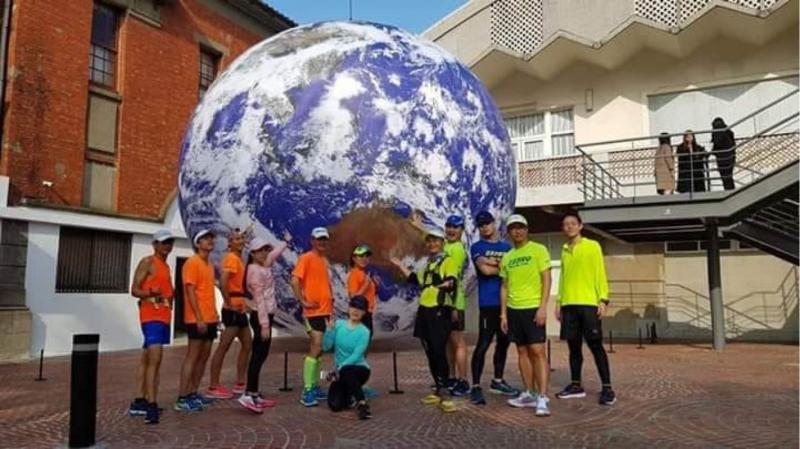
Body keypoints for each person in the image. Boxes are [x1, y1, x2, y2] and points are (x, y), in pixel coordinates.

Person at [390, 228, 458, 413]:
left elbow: (452, 281)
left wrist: (441, 285)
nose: (432, 244)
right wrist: (399, 265)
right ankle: (437, 388)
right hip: (425, 310)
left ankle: (445, 392)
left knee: (438, 350)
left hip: (439, 309)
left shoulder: (448, 261)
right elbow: (415, 279)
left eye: (435, 240)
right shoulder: (427, 263)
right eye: (429, 241)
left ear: (442, 242)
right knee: (429, 350)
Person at [555, 213, 616, 406]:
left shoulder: (593, 246)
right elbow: (563, 277)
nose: (569, 227)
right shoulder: (564, 250)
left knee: (596, 346)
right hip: (569, 305)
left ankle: (607, 388)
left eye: (573, 223)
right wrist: (559, 302)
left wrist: (603, 299)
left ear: (580, 226)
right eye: (566, 224)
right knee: (573, 348)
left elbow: (600, 273)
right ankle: (576, 385)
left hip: (589, 304)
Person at [500, 214, 552, 417]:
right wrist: (503, 314)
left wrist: (542, 307)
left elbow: (546, 279)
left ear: (527, 229)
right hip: (514, 310)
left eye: (521, 227)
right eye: (513, 228)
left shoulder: (538, 250)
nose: (517, 231)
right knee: (521, 351)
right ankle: (529, 392)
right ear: (509, 232)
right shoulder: (507, 257)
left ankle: (542, 396)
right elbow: (505, 286)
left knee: (537, 352)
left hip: (533, 308)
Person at [468, 211, 519, 406]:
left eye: (487, 223)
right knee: (483, 343)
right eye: (481, 225)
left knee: (504, 343)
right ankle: (475, 386)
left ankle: (498, 380)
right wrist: (502, 266)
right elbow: (485, 270)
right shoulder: (477, 247)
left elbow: (513, 271)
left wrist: (495, 263)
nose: (485, 227)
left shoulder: (506, 247)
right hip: (488, 304)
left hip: (507, 304)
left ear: (494, 223)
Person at [238, 233, 291, 413]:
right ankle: (248, 393)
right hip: (261, 316)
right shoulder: (254, 271)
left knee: (261, 354)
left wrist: (285, 243)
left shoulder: (263, 264)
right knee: (258, 355)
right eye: (260, 250)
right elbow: (259, 299)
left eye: (265, 249)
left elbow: (273, 255)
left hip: (266, 315)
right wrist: (265, 325)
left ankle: (254, 393)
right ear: (252, 253)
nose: (264, 253)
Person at [128, 229, 175, 424]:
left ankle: (140, 400)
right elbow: (134, 290)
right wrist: (150, 293)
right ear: (155, 244)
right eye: (163, 242)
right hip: (151, 316)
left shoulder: (166, 266)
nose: (167, 246)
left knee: (147, 359)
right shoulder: (148, 262)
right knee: (156, 359)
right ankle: (152, 405)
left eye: (170, 242)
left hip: (163, 315)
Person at [175, 229, 220, 412]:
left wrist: (214, 313)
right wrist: (199, 317)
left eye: (211, 238)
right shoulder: (192, 263)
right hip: (197, 318)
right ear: (197, 243)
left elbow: (208, 291)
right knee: (192, 356)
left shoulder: (209, 265)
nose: (210, 241)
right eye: (205, 238)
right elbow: (190, 292)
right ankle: (182, 397)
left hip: (210, 318)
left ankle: (193, 392)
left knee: (204, 356)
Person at [292, 227, 334, 407]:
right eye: (319, 239)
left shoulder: (324, 260)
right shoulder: (306, 258)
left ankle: (315, 385)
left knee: (320, 349)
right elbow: (295, 280)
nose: (322, 242)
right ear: (312, 241)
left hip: (325, 311)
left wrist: (331, 308)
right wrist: (303, 301)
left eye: (324, 239)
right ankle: (307, 389)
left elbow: (325, 285)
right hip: (313, 312)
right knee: (315, 346)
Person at [207, 229, 252, 399]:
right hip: (233, 307)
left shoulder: (239, 259)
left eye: (241, 238)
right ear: (230, 243)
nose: (240, 241)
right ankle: (213, 385)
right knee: (224, 346)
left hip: (239, 307)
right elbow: (224, 281)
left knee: (247, 344)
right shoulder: (232, 258)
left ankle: (240, 383)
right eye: (236, 239)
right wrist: (229, 302)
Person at [323, 296, 373, 420]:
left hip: (359, 369)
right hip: (340, 372)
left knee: (347, 370)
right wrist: (329, 331)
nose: (355, 310)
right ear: (348, 308)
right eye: (353, 306)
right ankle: (351, 394)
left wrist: (339, 369)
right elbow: (326, 347)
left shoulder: (364, 332)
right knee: (335, 405)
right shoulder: (338, 325)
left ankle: (362, 404)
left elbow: (356, 355)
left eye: (360, 308)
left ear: (364, 312)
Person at [346, 244, 380, 398]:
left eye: (367, 256)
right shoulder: (355, 274)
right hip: (360, 316)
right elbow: (353, 298)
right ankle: (354, 386)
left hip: (367, 315)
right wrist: (366, 285)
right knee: (359, 351)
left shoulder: (363, 274)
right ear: (354, 258)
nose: (364, 259)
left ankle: (358, 384)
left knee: (362, 351)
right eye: (361, 256)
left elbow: (368, 295)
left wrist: (374, 286)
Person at [443, 214, 469, 396]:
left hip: (454, 303)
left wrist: (452, 306)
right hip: (444, 302)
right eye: (449, 226)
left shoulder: (457, 249)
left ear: (462, 230)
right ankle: (451, 377)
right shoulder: (446, 246)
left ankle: (463, 380)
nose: (451, 230)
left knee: (458, 342)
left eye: (456, 227)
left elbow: (452, 279)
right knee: (448, 342)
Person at [711, 117, 736, 191]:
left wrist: (712, 152)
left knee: (725, 177)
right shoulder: (728, 132)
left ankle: (729, 190)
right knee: (728, 177)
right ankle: (731, 190)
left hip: (723, 159)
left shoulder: (717, 133)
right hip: (729, 158)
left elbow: (717, 145)